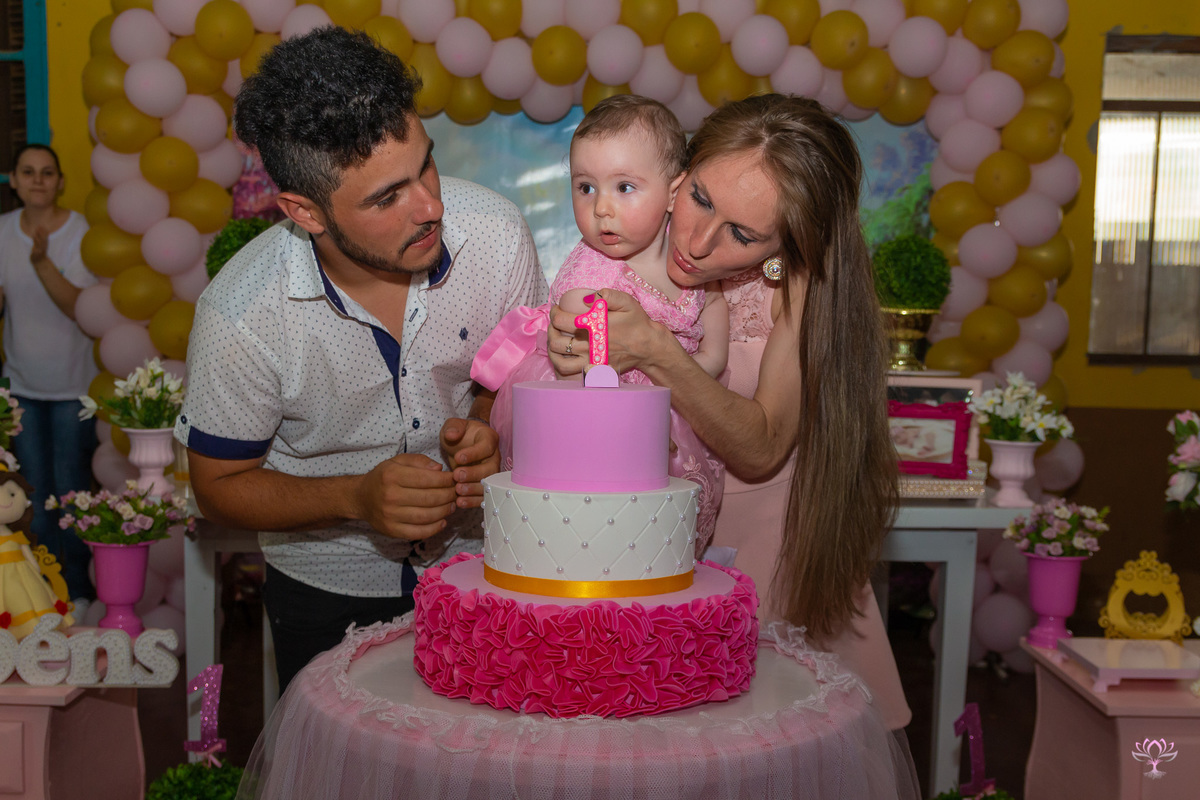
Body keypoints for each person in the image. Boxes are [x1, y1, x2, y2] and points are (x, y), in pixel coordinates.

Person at [175, 27, 548, 693]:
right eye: (387, 197)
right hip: (326, 588)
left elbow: (521, 373)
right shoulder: (241, 312)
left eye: (425, 166)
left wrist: (491, 425)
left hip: (487, 563)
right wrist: (354, 496)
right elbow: (219, 484)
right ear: (304, 212)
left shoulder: (496, 235)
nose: (431, 206)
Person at [547, 94, 912, 731]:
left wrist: (656, 351)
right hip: (651, 561)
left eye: (741, 234)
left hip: (766, 574)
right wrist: (563, 350)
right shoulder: (629, 245)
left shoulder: (796, 289)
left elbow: (764, 445)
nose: (696, 241)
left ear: (787, 245)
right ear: (679, 173)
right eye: (701, 199)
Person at [472, 95, 727, 548]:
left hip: (679, 405)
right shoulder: (591, 281)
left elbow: (712, 332)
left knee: (663, 540)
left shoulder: (690, 259)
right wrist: (643, 420)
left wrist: (690, 377)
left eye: (624, 187)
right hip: (593, 414)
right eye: (585, 187)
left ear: (673, 191)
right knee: (598, 533)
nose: (601, 208)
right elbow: (588, 375)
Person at [0, 144, 98, 609]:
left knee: (72, 493)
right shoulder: (1, 232)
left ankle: (78, 593)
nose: (37, 180)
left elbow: (79, 308)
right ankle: (41, 599)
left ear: (59, 181)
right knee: (31, 500)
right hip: (20, 387)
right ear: (14, 181)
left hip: (72, 389)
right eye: (27, 172)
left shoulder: (81, 233)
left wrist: (41, 262)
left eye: (46, 172)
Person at [0, 470, 73, 639]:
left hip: (23, 577)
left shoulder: (18, 537)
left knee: (29, 599)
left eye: (12, 493)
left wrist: (34, 570)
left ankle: (32, 633)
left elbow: (32, 562)